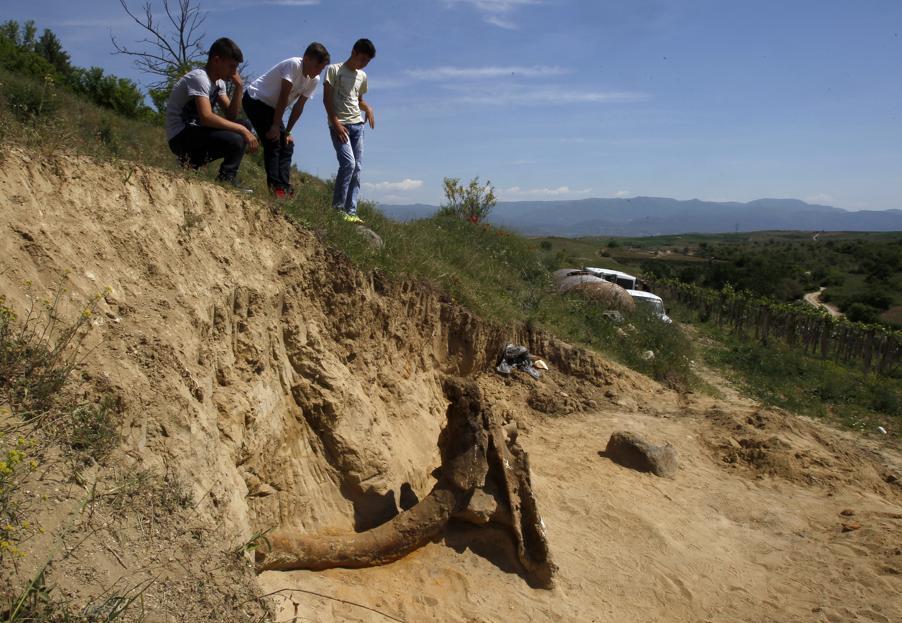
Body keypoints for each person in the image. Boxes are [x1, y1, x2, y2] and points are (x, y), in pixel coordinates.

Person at [165, 37, 259, 185]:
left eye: (236, 68)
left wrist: (239, 87)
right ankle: (226, 179)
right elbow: (206, 117)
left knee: (245, 124)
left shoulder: (219, 83)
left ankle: (190, 162)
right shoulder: (200, 78)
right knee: (237, 136)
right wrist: (241, 130)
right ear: (216, 60)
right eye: (231, 67)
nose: (234, 72)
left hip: (196, 131)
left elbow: (231, 115)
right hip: (180, 135)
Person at [243, 43, 331, 198]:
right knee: (273, 141)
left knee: (287, 144)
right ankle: (276, 189)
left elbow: (298, 107)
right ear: (306, 59)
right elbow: (283, 96)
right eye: (317, 66)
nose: (318, 71)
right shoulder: (293, 65)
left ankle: (284, 187)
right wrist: (276, 126)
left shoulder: (314, 80)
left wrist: (287, 131)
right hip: (255, 99)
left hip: (272, 107)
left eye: (321, 69)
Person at [323, 38, 376, 223]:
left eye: (367, 62)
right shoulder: (334, 70)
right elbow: (326, 99)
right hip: (340, 125)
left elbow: (358, 100)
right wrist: (335, 122)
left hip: (358, 125)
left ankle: (351, 211)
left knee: (357, 168)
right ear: (353, 52)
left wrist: (368, 108)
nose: (364, 64)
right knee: (348, 164)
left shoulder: (362, 76)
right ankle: (338, 210)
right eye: (362, 59)